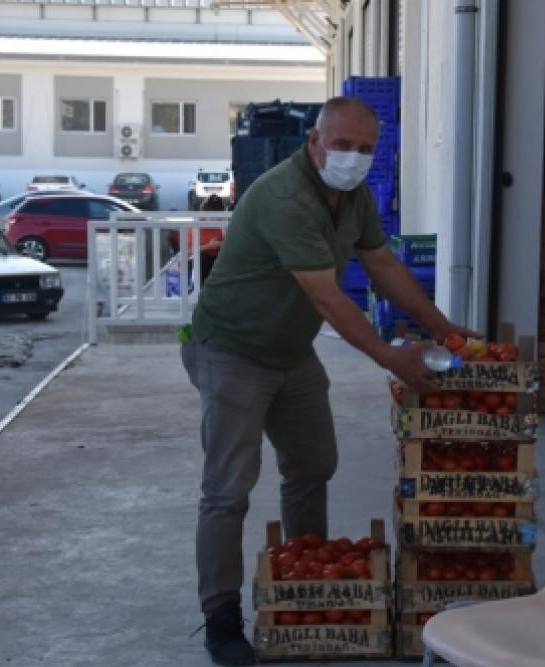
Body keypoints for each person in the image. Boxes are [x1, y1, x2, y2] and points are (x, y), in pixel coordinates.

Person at [181, 96, 474, 665]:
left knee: (313, 464)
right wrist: (392, 356)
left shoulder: (353, 197)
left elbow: (383, 265)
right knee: (228, 490)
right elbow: (328, 296)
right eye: (341, 146)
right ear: (314, 142)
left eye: (365, 149)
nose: (353, 158)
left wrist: (442, 327)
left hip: (290, 352)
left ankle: (301, 579)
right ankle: (219, 617)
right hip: (232, 350)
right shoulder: (285, 197)